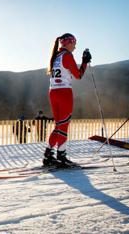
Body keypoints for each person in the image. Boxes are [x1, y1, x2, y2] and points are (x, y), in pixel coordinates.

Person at [43, 33, 91, 167]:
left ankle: (48, 154)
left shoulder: (55, 56)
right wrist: (85, 62)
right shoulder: (67, 55)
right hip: (64, 92)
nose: (75, 47)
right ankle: (61, 156)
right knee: (63, 125)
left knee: (58, 125)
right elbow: (78, 75)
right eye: (74, 43)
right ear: (68, 43)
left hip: (53, 91)